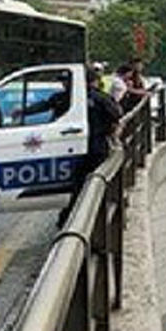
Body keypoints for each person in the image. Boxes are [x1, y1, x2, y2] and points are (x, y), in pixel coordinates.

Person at [59, 68, 121, 226]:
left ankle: (70, 218)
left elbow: (48, 106)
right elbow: (116, 113)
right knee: (95, 185)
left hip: (77, 147)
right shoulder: (100, 97)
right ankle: (92, 222)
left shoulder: (71, 97)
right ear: (94, 81)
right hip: (97, 146)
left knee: (79, 184)